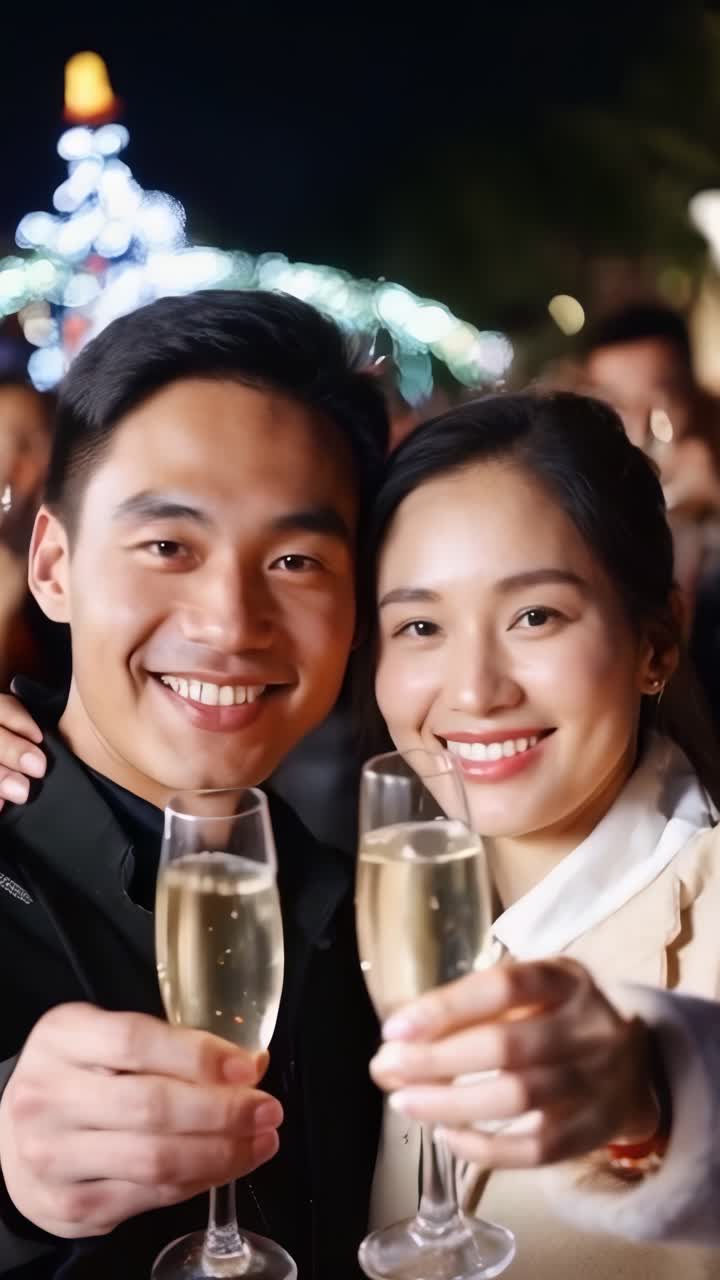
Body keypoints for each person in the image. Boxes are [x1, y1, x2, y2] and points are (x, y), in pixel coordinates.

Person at [3, 384, 720, 1278]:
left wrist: (649, 1095)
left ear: (656, 642)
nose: (474, 689)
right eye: (420, 625)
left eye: (536, 615)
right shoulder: (355, 913)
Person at [0, 289, 390, 1280]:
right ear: (54, 564)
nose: (229, 619)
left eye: (296, 558)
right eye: (168, 544)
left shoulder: (373, 911)